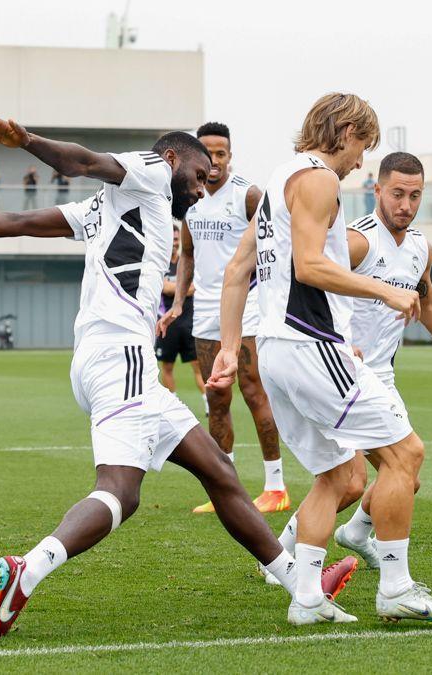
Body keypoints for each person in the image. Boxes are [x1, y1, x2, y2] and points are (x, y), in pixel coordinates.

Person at [0, 114, 355, 638]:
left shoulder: (104, 208)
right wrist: (28, 141)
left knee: (217, 469)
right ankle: (26, 569)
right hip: (121, 356)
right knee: (121, 493)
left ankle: (300, 586)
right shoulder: (149, 171)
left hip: (111, 361)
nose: (200, 188)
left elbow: (18, 222)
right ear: (170, 159)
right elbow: (83, 161)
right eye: (196, 174)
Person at [212, 93, 432, 624]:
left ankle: (305, 598)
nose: (359, 163)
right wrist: (386, 291)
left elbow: (237, 272)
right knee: (406, 455)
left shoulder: (279, 180)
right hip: (309, 344)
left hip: (278, 350)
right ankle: (395, 587)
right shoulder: (319, 179)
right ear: (345, 131)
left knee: (342, 476)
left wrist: (231, 350)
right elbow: (308, 266)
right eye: (362, 147)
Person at [266, 151, 432, 571]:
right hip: (336, 371)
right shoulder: (357, 241)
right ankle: (280, 557)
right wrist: (339, 339)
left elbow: (427, 303)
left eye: (414, 195)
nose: (405, 204)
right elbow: (315, 281)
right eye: (396, 194)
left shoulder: (420, 248)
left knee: (405, 476)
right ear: (377, 191)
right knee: (351, 481)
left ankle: (353, 534)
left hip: (381, 378)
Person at [160, 121, 289, 515]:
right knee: (215, 397)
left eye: (221, 153)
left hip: (246, 308)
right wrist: (179, 302)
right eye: (208, 153)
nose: (214, 161)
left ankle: (276, 486)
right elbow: (188, 257)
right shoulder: (190, 200)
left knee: (253, 392)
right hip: (204, 315)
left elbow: (276, 247)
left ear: (230, 156)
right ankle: (226, 488)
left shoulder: (248, 196)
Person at [157, 225, 204, 396]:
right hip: (167, 324)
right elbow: (163, 288)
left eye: (177, 239)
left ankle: (208, 405)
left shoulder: (188, 262)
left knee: (198, 365)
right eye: (172, 239)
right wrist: (184, 286)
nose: (174, 243)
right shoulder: (160, 262)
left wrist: (174, 287)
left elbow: (195, 286)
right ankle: (173, 402)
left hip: (189, 321)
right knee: (167, 366)